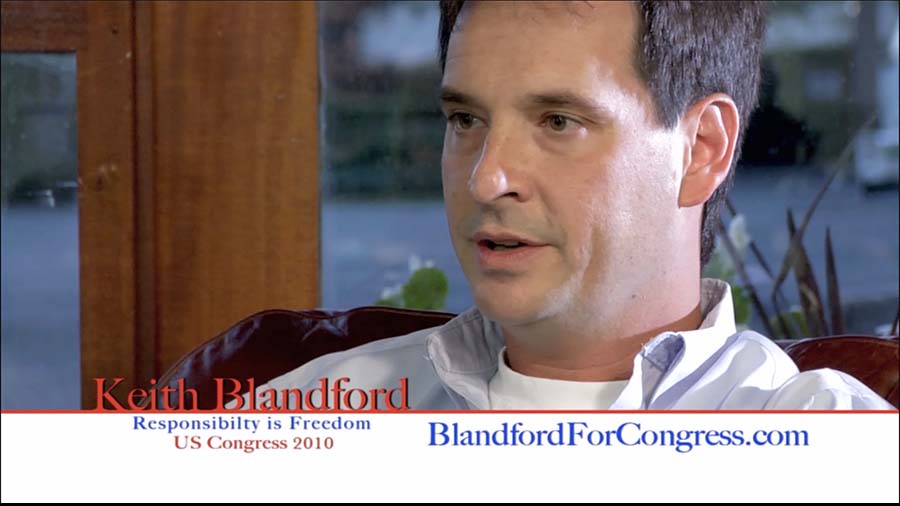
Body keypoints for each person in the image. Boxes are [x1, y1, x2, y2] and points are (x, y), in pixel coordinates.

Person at [261, 0, 893, 410]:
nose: (486, 180)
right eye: (465, 119)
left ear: (700, 150)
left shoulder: (828, 449)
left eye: (558, 121)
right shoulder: (313, 413)